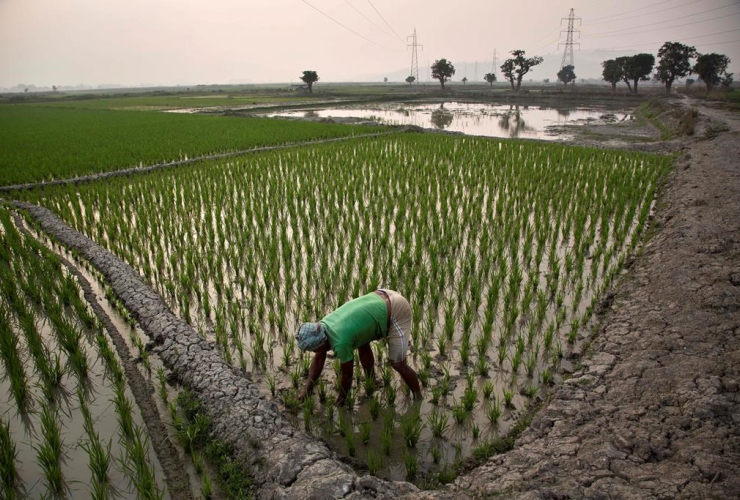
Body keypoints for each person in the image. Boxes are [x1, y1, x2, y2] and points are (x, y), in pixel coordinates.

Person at [296, 289, 421, 405]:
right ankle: (372, 380)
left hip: (396, 310)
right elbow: (319, 358)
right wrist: (307, 389)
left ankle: (418, 398)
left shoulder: (341, 342)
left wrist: (341, 400)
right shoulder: (322, 327)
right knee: (361, 341)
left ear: (321, 343)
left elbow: (347, 375)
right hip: (380, 296)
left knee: (398, 364)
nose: (314, 352)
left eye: (314, 349)